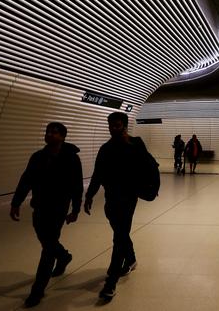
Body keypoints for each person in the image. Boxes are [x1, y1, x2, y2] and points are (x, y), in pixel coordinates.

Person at [10, 122, 83, 307]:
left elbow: (76, 185)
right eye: (48, 132)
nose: (50, 134)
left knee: (48, 248)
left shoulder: (71, 158)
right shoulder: (37, 157)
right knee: (46, 239)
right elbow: (26, 179)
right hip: (40, 206)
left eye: (54, 132)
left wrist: (75, 209)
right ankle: (64, 256)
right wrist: (16, 202)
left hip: (59, 208)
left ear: (63, 136)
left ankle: (38, 290)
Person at [84, 112, 149, 300]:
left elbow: (148, 167)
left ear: (125, 126)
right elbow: (98, 174)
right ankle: (131, 259)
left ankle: (110, 283)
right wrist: (89, 196)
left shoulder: (136, 144)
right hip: (111, 198)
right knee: (120, 232)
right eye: (111, 125)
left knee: (119, 237)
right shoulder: (106, 149)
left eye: (117, 125)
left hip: (129, 198)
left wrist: (146, 189)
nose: (113, 129)